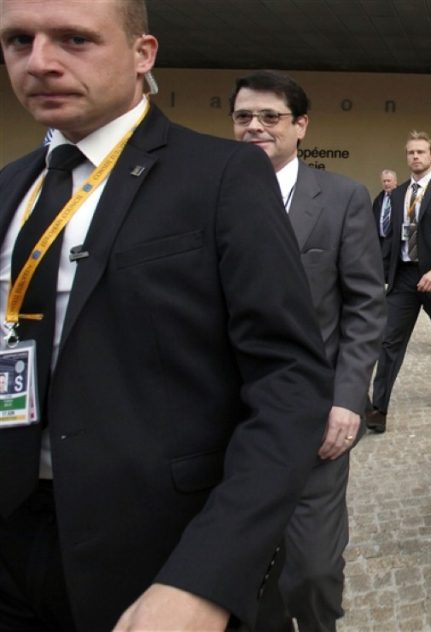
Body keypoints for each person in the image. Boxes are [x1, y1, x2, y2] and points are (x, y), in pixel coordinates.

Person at [0, 1, 334, 630]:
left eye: (74, 39)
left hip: (159, 554)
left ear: (142, 54)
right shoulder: (9, 189)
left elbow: (288, 382)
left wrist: (207, 577)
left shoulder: (222, 175)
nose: (41, 62)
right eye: (19, 40)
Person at [230, 70, 386, 630]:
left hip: (315, 417)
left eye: (270, 117)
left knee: (314, 571)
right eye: (244, 117)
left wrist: (349, 399)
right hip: (233, 420)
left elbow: (367, 306)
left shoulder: (342, 198)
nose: (255, 127)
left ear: (300, 126)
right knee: (248, 571)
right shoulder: (210, 195)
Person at [367, 131, 431, 432]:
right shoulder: (396, 195)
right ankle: (378, 408)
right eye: (411, 152)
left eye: (421, 152)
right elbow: (391, 239)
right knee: (389, 342)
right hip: (405, 278)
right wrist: (382, 273)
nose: (415, 157)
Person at [373, 168, 399, 275]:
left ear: (395, 182)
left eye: (389, 180)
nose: (386, 183)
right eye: (384, 181)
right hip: (381, 242)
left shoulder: (402, 197)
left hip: (395, 242)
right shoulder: (379, 199)